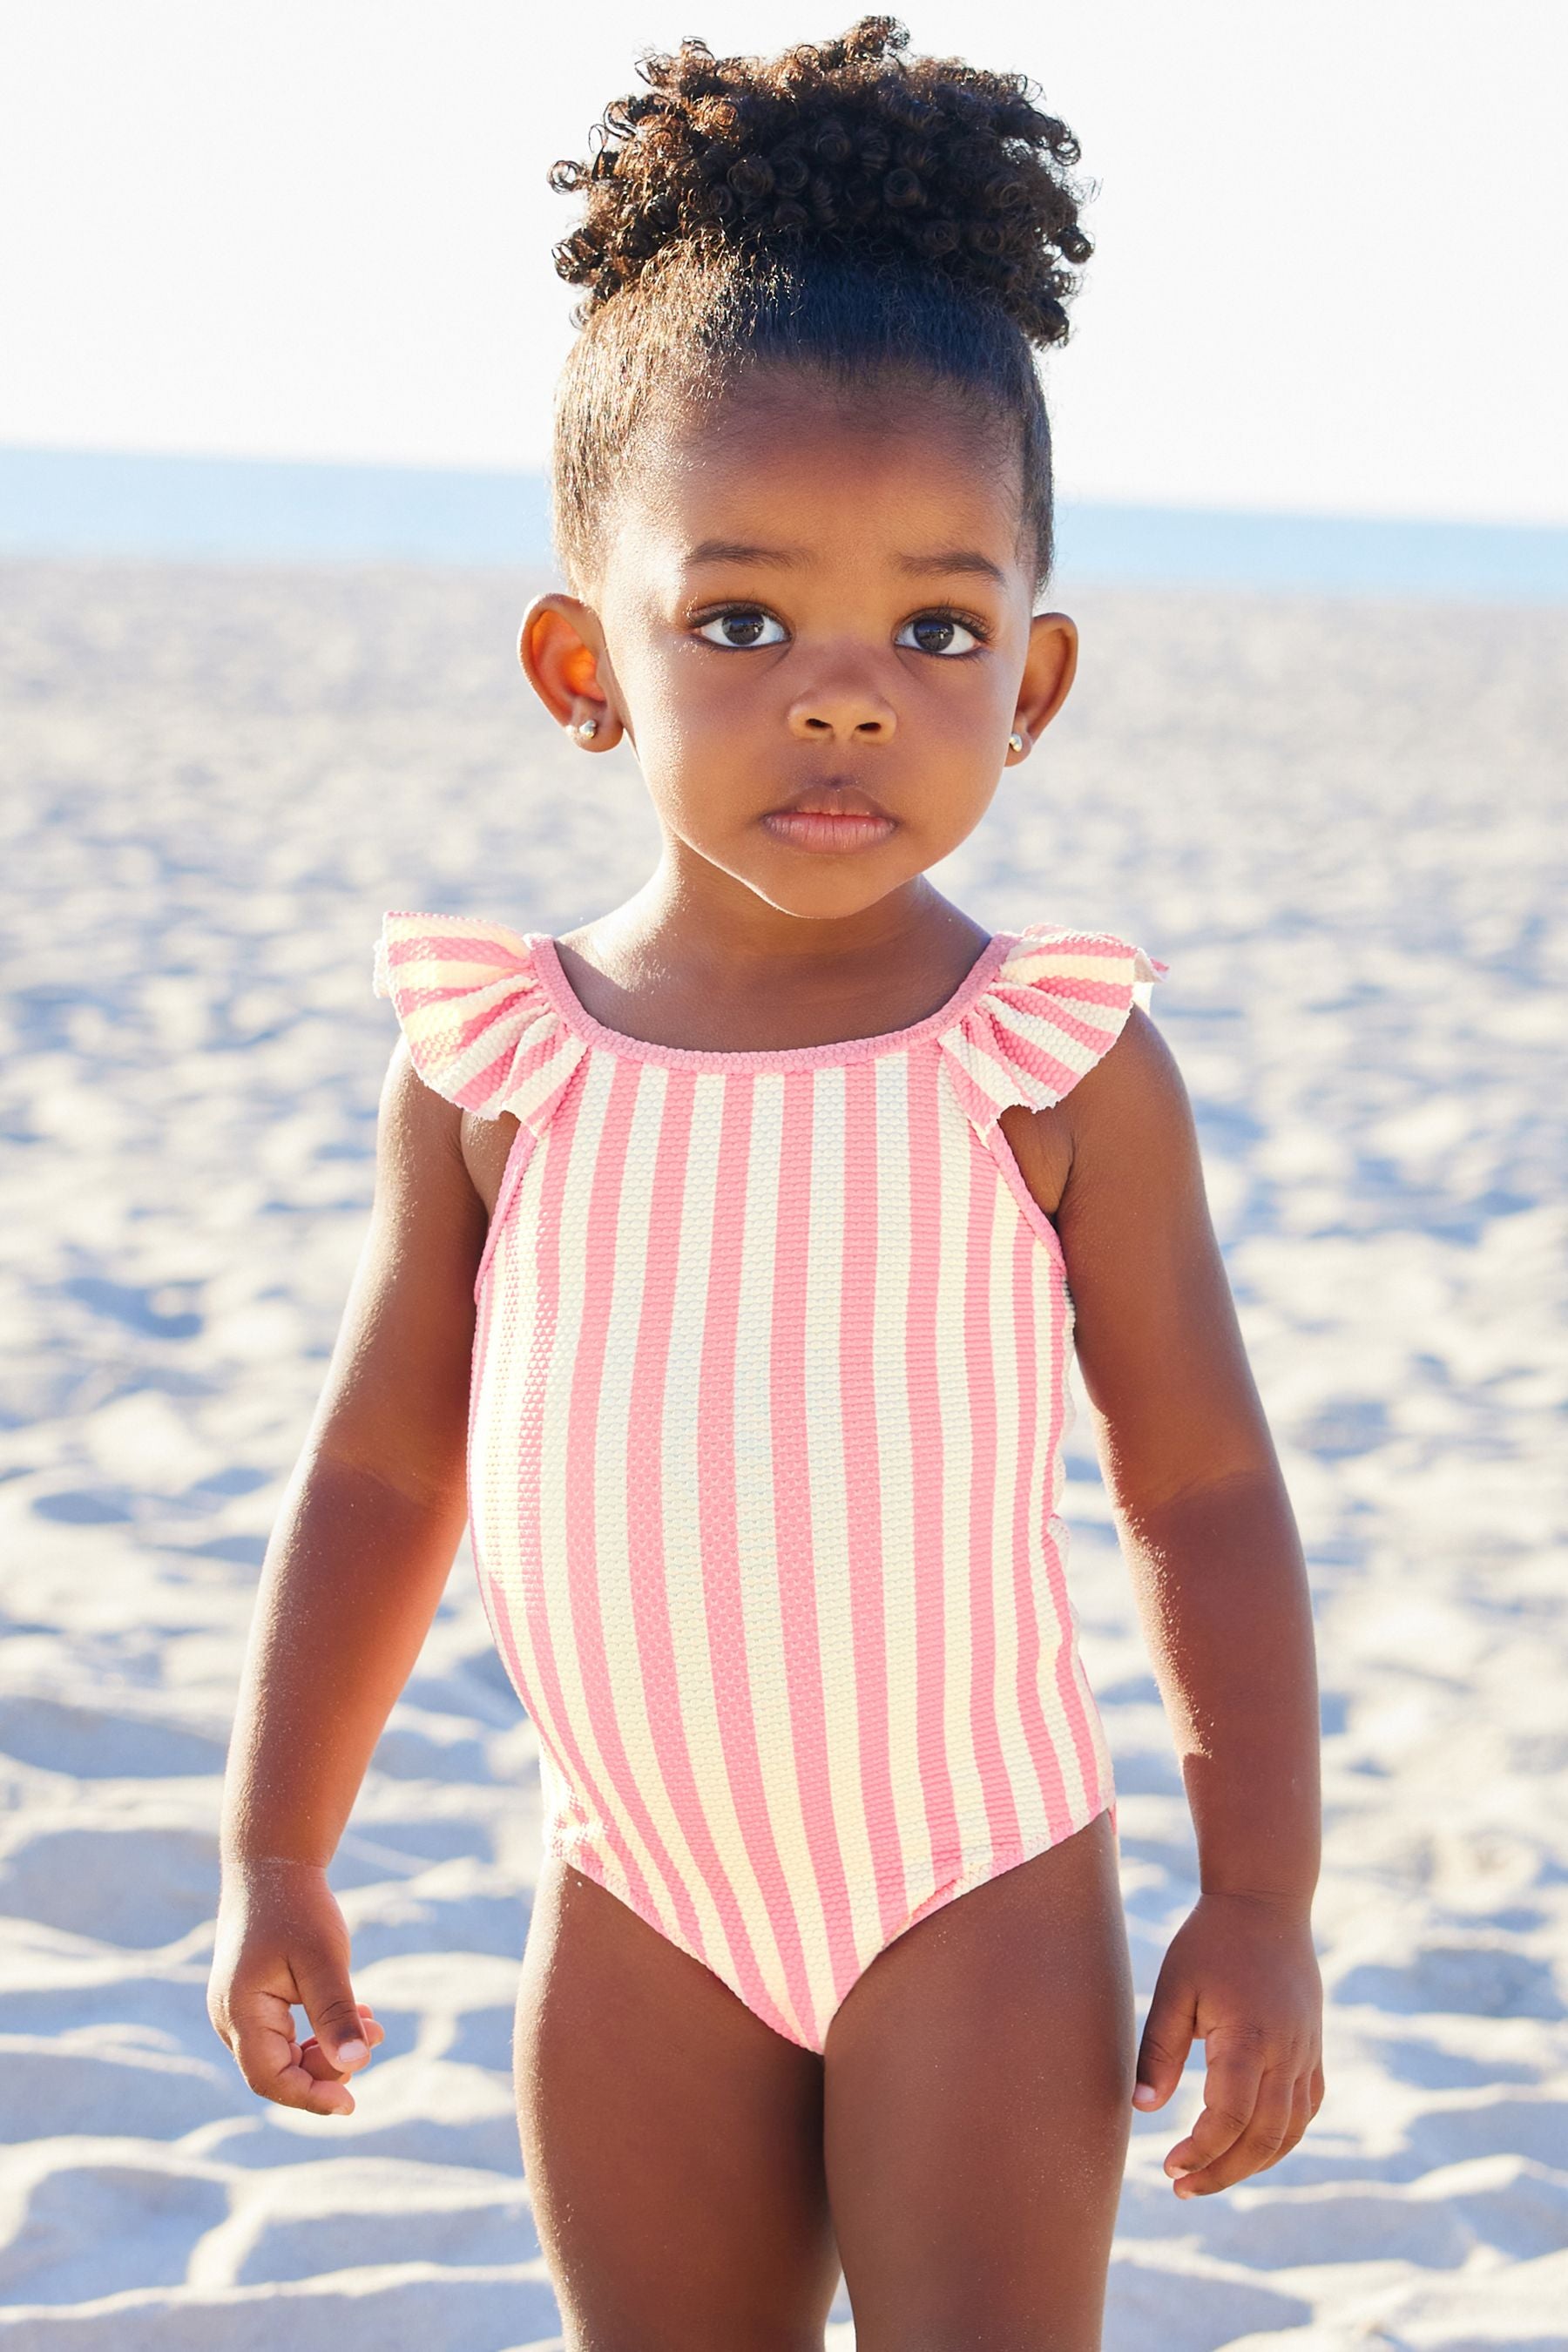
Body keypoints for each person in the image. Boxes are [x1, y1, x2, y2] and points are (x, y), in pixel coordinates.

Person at [208, 17, 1324, 2345]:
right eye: (741, 620)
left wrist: (1261, 1894)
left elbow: (1201, 1484)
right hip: (637, 1896)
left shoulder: (1050, 1063)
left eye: (937, 627)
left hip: (978, 1890)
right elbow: (386, 1463)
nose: (846, 695)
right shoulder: (502, 1065)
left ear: (1034, 681)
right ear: (579, 661)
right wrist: (278, 1843)